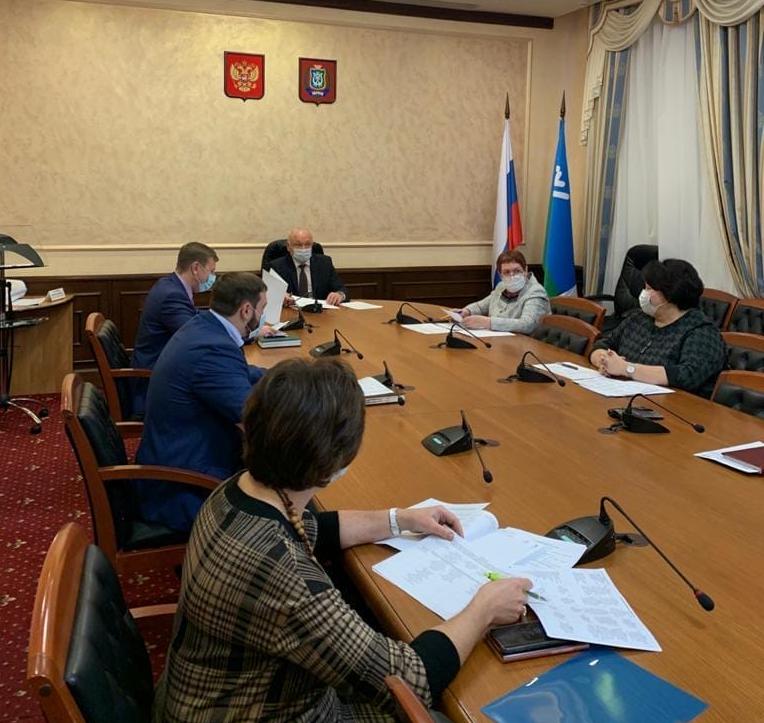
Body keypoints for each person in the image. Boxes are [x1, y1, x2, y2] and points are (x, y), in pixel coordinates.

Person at [152, 358, 533, 722]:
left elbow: (313, 528)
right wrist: (484, 609)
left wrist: (398, 519)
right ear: (333, 460)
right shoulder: (286, 576)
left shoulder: (237, 490)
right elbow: (408, 679)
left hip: (205, 697)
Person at [135, 272, 268, 533]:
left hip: (178, 456)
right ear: (246, 310)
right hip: (184, 487)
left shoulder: (204, 327)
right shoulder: (213, 348)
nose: (263, 315)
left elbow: (239, 372)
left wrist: (288, 376)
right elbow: (253, 416)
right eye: (262, 308)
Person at [589, 259, 726, 397]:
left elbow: (687, 376)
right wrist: (604, 361)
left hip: (672, 405)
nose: (643, 294)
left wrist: (627, 369)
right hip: (621, 397)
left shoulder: (702, 331)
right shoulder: (638, 318)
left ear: (671, 294)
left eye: (649, 289)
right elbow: (602, 344)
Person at [131, 242, 218, 415]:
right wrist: (238, 330)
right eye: (211, 271)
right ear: (195, 268)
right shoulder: (172, 295)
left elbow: (194, 318)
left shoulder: (170, 284)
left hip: (161, 367)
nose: (213, 277)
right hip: (155, 380)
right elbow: (196, 336)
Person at [459, 250, 550, 333]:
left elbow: (527, 324)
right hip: (499, 339)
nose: (512, 276)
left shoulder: (536, 291)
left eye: (517, 271)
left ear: (525, 270)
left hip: (526, 342)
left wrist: (488, 322)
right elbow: (481, 306)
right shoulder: (501, 286)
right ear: (500, 275)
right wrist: (466, 311)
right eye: (507, 272)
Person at [269, 226, 349, 305]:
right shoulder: (277, 266)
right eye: (298, 245)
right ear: (288, 247)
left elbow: (342, 289)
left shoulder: (325, 263)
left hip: (320, 310)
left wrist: (339, 295)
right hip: (291, 310)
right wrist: (280, 296)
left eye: (307, 244)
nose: (303, 249)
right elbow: (269, 295)